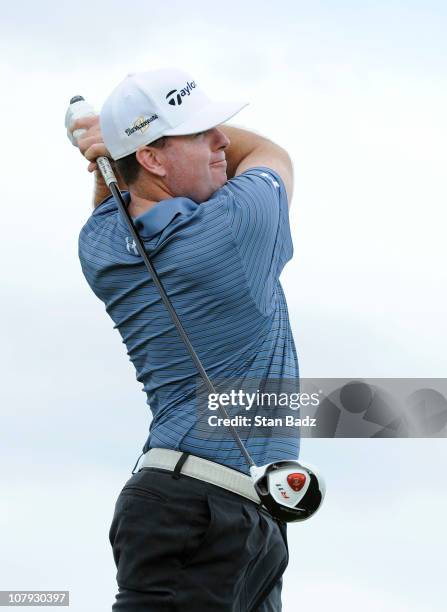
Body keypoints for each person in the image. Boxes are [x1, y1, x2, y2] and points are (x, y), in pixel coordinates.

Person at [70, 67, 299, 611]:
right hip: (197, 512)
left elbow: (118, 203)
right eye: (201, 132)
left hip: (232, 516)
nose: (222, 140)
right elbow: (270, 153)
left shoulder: (98, 245)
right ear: (151, 157)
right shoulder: (235, 226)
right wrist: (113, 140)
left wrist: (120, 147)